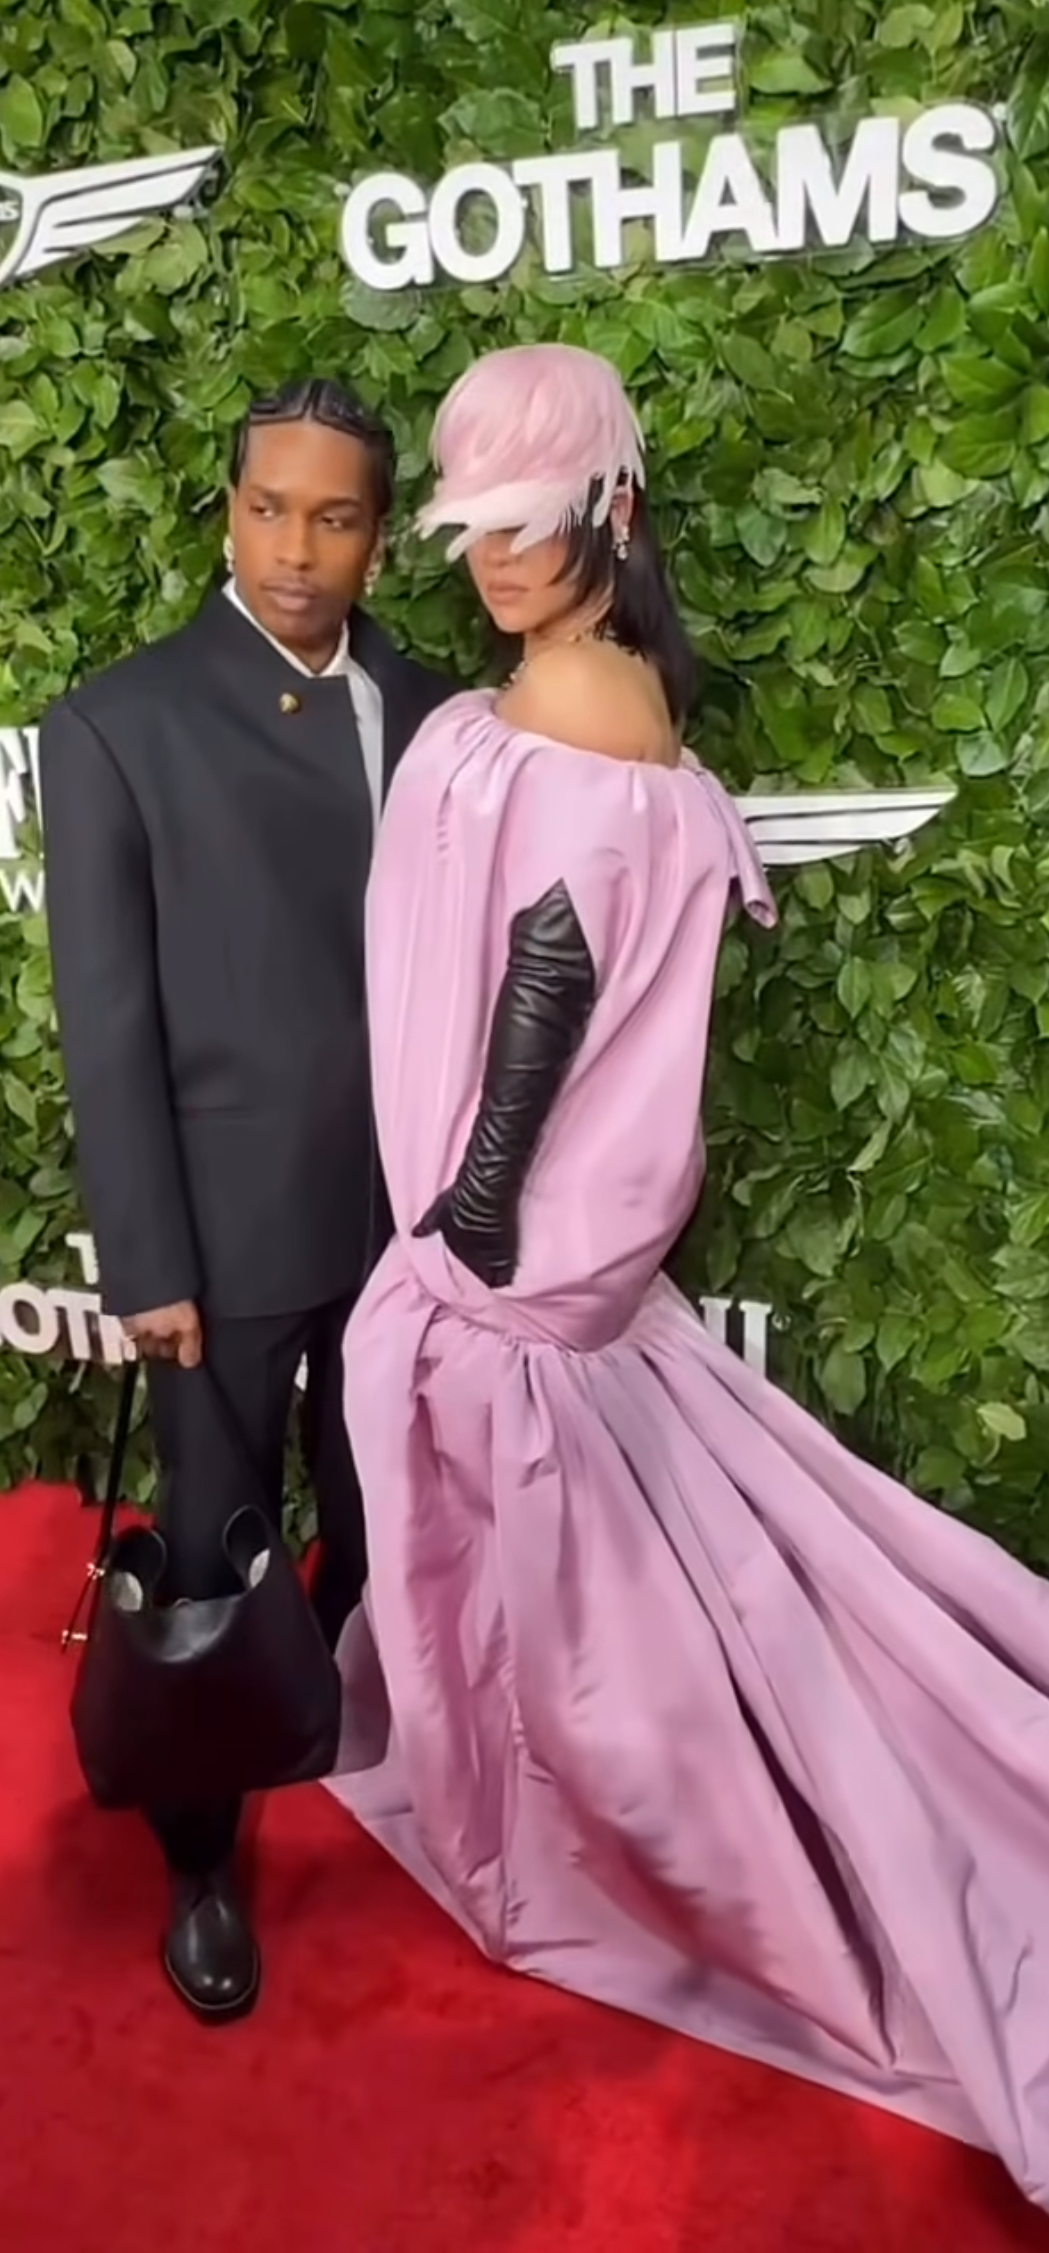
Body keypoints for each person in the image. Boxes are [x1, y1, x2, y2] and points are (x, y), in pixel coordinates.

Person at [329, 342, 1049, 2212]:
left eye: (527, 521)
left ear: (610, 510)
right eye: (472, 525)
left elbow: (553, 962)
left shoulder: (562, 712)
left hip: (510, 1256)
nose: (491, 558)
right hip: (557, 1255)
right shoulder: (629, 689)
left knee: (550, 1609)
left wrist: (474, 1201)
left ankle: (572, 1854)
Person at [40, 377, 454, 2025]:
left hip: (412, 1233)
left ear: (376, 533)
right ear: (227, 511)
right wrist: (146, 1260)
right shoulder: (118, 725)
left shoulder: (429, 707)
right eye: (269, 508)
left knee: (394, 1529)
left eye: (334, 516)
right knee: (213, 1563)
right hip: (217, 1242)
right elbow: (107, 1020)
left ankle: (381, 1757)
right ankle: (204, 1861)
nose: (297, 549)